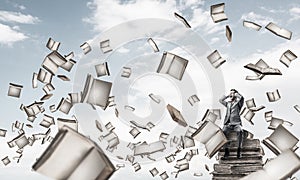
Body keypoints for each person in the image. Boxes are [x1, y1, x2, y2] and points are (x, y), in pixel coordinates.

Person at [219, 89, 244, 159]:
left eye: (232, 93)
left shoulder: (238, 103)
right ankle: (226, 151)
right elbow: (220, 100)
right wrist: (227, 96)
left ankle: (239, 151)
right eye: (230, 93)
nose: (231, 95)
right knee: (223, 132)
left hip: (236, 124)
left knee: (240, 131)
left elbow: (242, 98)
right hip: (228, 124)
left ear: (235, 95)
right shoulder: (228, 103)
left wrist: (237, 93)